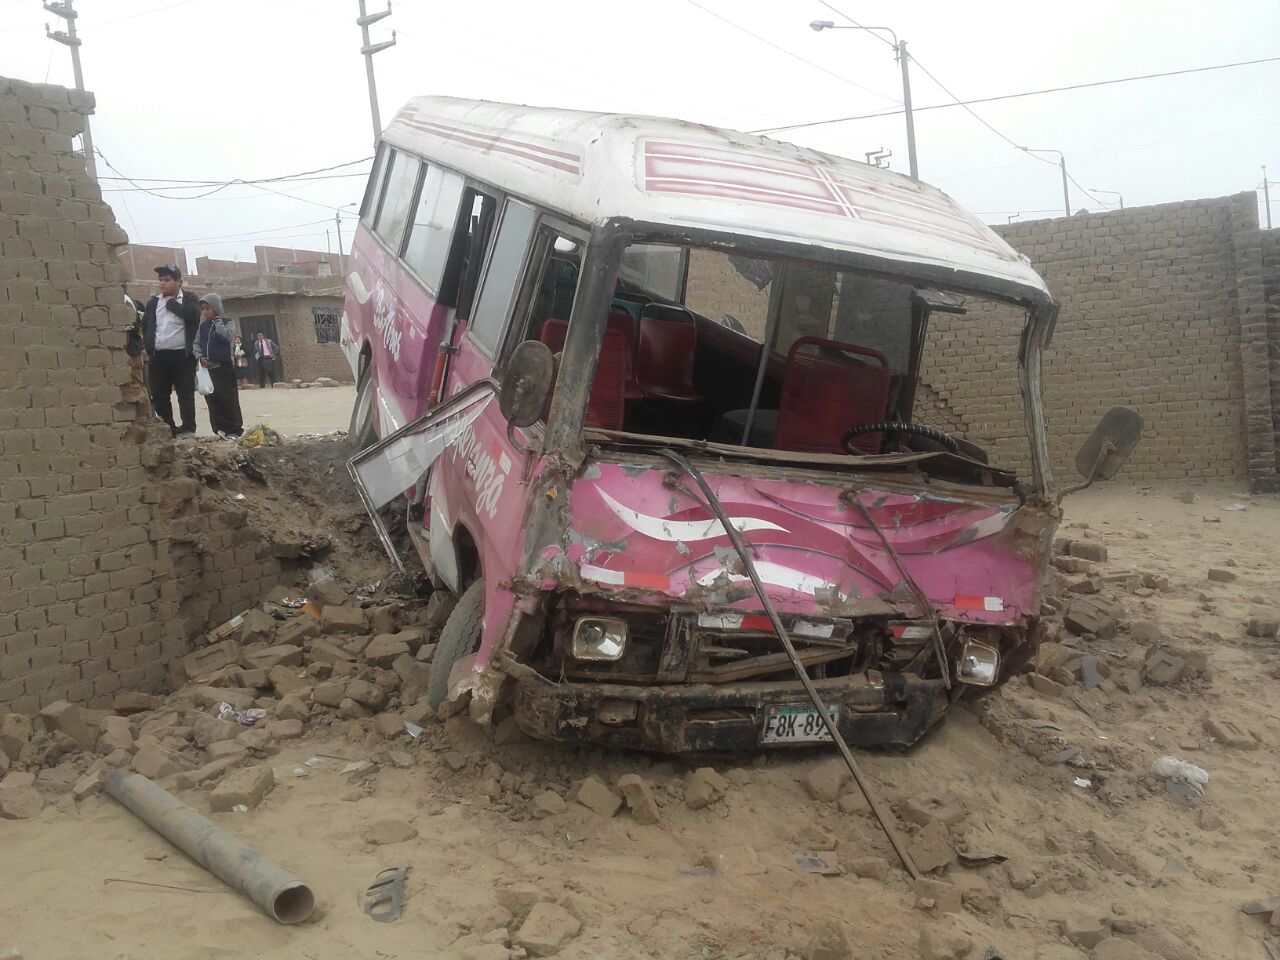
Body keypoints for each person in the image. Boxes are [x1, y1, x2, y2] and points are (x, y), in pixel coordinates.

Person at [141, 264, 201, 436]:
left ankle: (188, 428)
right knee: (160, 395)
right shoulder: (153, 303)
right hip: (159, 356)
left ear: (178, 282)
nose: (162, 283)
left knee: (185, 394)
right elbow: (146, 326)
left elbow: (193, 317)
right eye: (160, 280)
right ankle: (169, 428)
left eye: (167, 280)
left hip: (182, 356)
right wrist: (149, 345)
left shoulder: (189, 299)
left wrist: (172, 304)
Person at [194, 293, 244, 438]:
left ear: (215, 308)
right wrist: (200, 357)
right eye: (202, 309)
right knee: (213, 400)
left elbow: (226, 337)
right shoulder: (202, 327)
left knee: (229, 399)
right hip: (208, 370)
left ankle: (234, 430)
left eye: (207, 309)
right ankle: (219, 429)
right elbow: (196, 343)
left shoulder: (228, 322)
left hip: (224, 368)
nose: (204, 312)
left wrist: (218, 322)